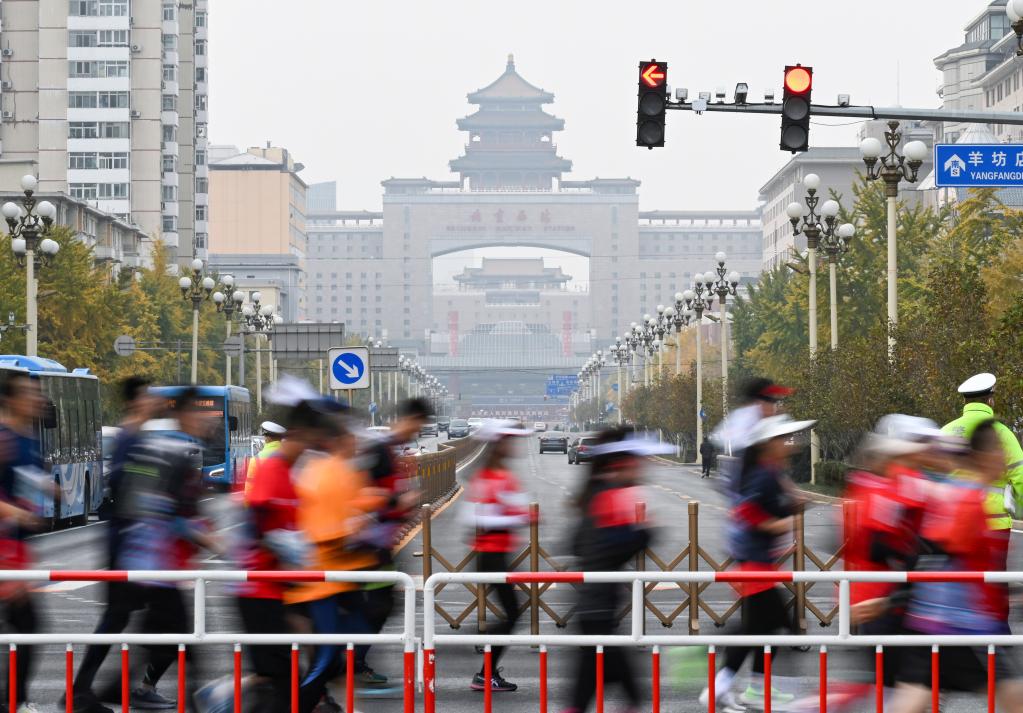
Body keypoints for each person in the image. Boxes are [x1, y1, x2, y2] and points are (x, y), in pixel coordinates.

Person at [891, 420, 1023, 713]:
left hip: (930, 621)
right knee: (1015, 698)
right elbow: (939, 551)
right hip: (963, 625)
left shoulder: (954, 490)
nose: (1005, 457)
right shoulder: (968, 499)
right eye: (1000, 450)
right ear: (984, 455)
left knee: (914, 699)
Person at [113, 387, 221, 710]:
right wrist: (204, 536)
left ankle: (127, 685)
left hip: (159, 562)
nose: (208, 420)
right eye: (202, 413)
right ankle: (191, 699)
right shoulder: (176, 453)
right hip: (158, 562)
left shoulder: (180, 449)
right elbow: (164, 510)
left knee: (169, 635)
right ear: (186, 415)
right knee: (186, 636)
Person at [700, 414, 814, 712]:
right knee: (772, 627)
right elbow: (746, 511)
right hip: (753, 565)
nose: (790, 445)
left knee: (763, 628)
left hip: (762, 564)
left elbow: (787, 501)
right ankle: (743, 686)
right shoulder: (761, 475)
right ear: (767, 445)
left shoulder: (771, 472)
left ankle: (733, 686)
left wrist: (792, 498)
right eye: (783, 440)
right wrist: (777, 526)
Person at [69, 377, 162, 713]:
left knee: (122, 618)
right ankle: (88, 690)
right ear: (136, 401)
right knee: (140, 617)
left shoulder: (136, 436)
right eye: (149, 396)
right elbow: (124, 482)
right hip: (128, 542)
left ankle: (86, 690)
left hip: (136, 541)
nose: (154, 401)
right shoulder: (128, 438)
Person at [229, 403, 329, 713]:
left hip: (278, 589)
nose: (314, 449)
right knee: (280, 677)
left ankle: (223, 700)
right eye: (312, 441)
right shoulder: (272, 468)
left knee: (282, 674)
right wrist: (290, 552)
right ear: (296, 435)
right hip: (257, 589)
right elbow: (259, 523)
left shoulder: (290, 473)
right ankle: (219, 702)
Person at [288, 406, 388, 713]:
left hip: (344, 578)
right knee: (328, 656)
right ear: (336, 440)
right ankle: (301, 704)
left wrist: (381, 504)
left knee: (353, 640)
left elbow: (356, 505)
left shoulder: (343, 471)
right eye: (349, 435)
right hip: (323, 582)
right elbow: (323, 531)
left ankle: (324, 699)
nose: (356, 441)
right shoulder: (325, 473)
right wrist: (360, 530)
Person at [561, 428, 664, 713]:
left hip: (595, 603)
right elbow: (622, 545)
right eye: (634, 461)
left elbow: (579, 543)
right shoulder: (607, 495)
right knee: (623, 684)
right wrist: (644, 530)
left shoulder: (595, 491)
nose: (640, 467)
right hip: (597, 605)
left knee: (590, 680)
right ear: (619, 463)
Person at [352, 397, 431, 691]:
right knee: (376, 606)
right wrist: (397, 502)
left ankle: (352, 661)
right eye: (419, 425)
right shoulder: (378, 450)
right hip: (366, 544)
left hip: (379, 542)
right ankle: (350, 663)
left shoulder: (389, 449)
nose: (418, 432)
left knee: (379, 605)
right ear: (410, 419)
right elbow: (359, 493)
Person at [463, 419, 532, 693]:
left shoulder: (499, 475)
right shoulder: (490, 477)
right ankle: (484, 668)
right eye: (508, 441)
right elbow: (475, 516)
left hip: (498, 553)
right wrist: (519, 517)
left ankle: (485, 668)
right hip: (489, 554)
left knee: (513, 613)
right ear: (498, 445)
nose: (513, 446)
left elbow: (513, 508)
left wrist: (521, 514)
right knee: (513, 614)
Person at [0, 372, 48, 713]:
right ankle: (14, 700)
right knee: (27, 626)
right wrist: (16, 513)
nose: (37, 400)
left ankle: (13, 699)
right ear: (11, 400)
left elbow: (28, 481)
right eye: (30, 394)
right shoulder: (3, 438)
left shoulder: (30, 439)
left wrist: (48, 490)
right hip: (4, 549)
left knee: (26, 626)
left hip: (16, 549)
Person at [942, 373, 1023, 526]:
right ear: (990, 401)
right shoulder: (1001, 433)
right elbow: (1020, 476)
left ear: (965, 401)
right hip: (993, 523)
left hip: (952, 520)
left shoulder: (945, 431)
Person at [244, 421, 286, 497]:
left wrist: (247, 505)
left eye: (265, 436)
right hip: (284, 504)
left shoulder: (256, 459)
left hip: (265, 504)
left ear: (268, 438)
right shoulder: (290, 455)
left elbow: (250, 486)